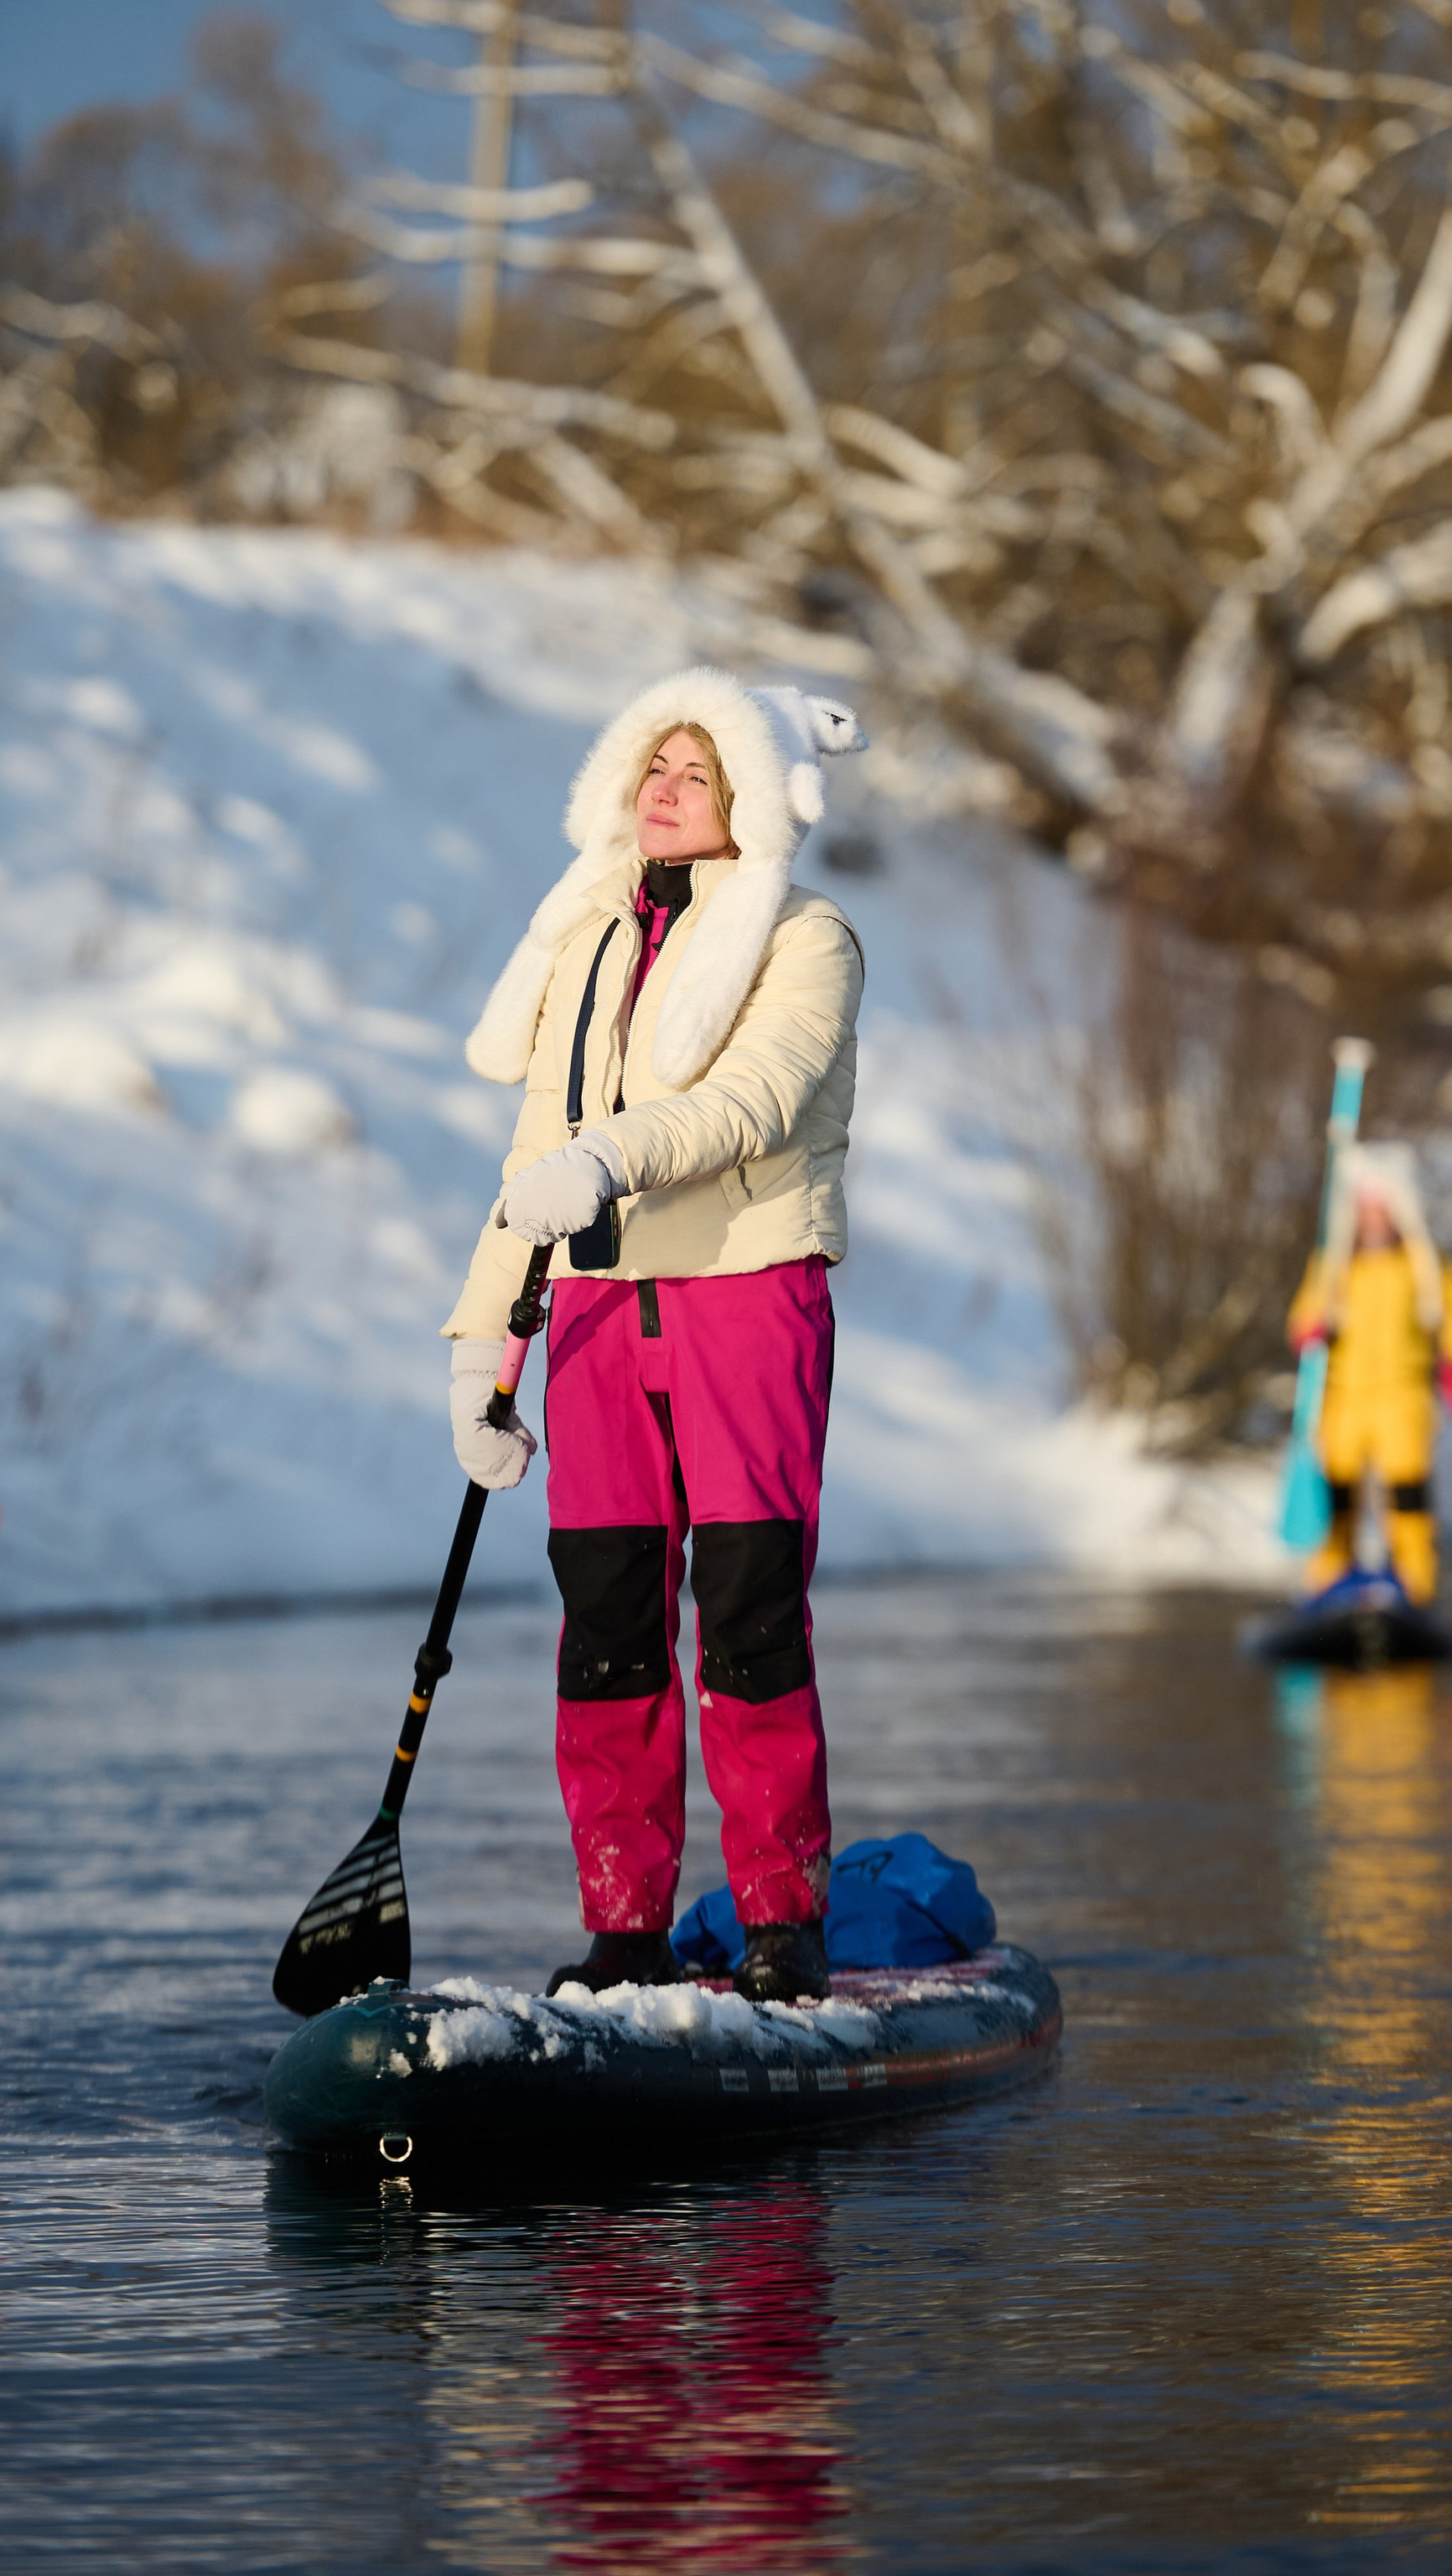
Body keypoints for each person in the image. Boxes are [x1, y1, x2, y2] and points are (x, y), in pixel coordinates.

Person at [445, 670, 867, 2005]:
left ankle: (780, 1924)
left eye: (697, 766)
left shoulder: (811, 939)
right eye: (653, 763)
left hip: (747, 1291)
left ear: (749, 793)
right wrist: (481, 1353)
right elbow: (534, 1155)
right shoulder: (590, 948)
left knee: (746, 1616)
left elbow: (751, 1100)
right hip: (592, 1310)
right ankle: (623, 1930)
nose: (665, 785)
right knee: (609, 1626)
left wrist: (609, 1157)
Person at [1287, 1142, 1452, 1606]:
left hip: (1404, 1395)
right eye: (1366, 1211)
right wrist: (1310, 1329)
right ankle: (1328, 1577)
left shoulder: (1423, 1266)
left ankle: (1415, 1582)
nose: (1374, 1221)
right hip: (1344, 1397)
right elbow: (1302, 1320)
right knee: (1338, 1493)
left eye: (1382, 1210)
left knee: (1407, 1492)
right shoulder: (1333, 1266)